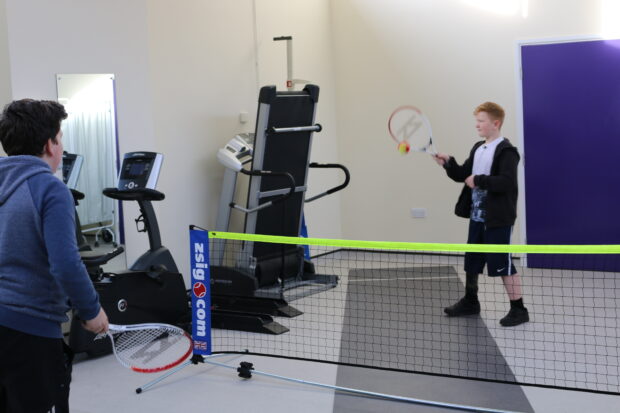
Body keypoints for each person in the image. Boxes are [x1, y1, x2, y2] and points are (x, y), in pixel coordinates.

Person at [0, 99, 109, 413]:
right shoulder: (51, 189)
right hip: (30, 329)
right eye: (60, 139)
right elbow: (64, 263)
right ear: (50, 144)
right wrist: (92, 311)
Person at [433, 101, 529, 327]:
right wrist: (448, 163)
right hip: (477, 217)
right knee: (472, 260)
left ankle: (519, 309)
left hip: (498, 218)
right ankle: (470, 301)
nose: (477, 125)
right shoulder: (478, 148)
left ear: (495, 123)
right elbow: (462, 174)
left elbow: (505, 182)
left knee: (501, 262)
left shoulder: (507, 152)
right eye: (476, 121)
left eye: (481, 121)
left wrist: (478, 181)